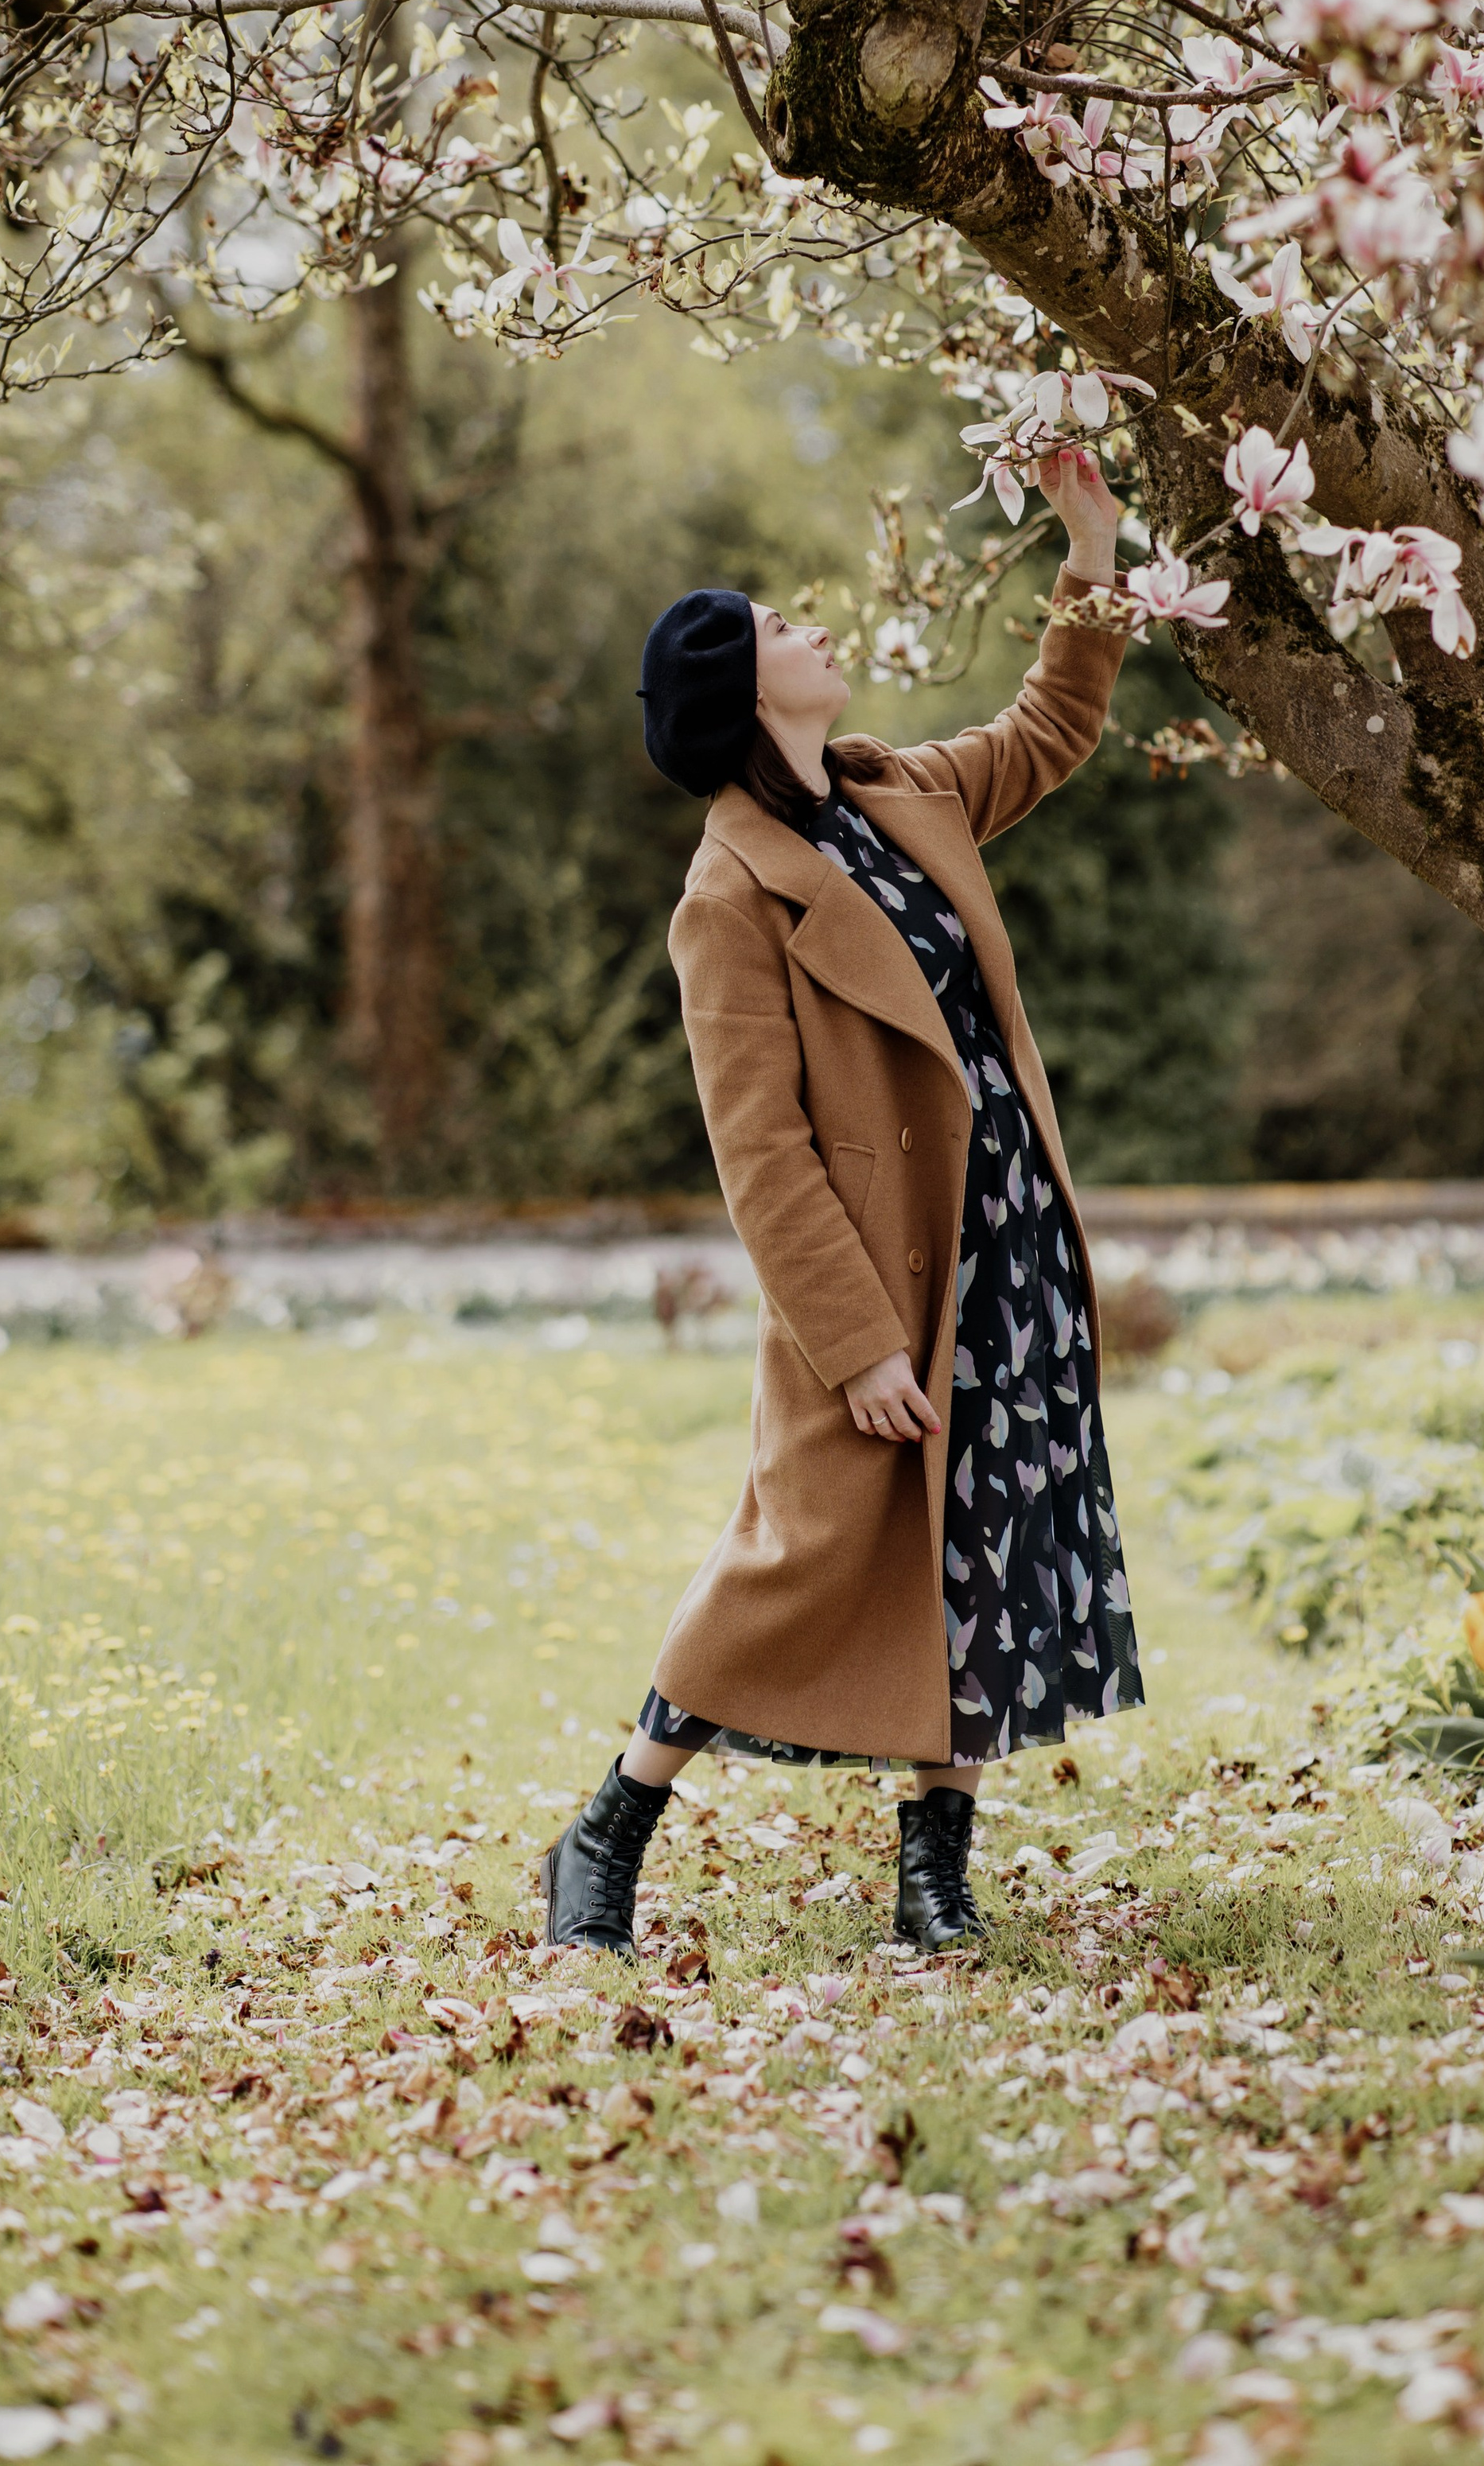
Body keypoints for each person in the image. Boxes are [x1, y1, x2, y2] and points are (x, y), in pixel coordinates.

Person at [545, 448, 1146, 1959]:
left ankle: (933, 1874)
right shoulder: (728, 897)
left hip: (1001, 1231)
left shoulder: (902, 790)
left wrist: (1095, 550)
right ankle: (608, 1829)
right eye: (778, 629)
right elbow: (758, 1150)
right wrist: (857, 1340)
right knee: (796, 1551)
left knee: (979, 1546)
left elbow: (1053, 726)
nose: (811, 631)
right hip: (875, 1278)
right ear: (751, 697)